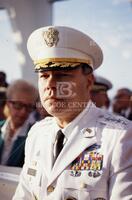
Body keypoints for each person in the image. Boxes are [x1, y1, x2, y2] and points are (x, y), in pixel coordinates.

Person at [13, 26, 132, 200]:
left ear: (89, 82)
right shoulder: (37, 133)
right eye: (44, 75)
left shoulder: (120, 136)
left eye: (62, 74)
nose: (51, 85)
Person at [0, 79, 38, 167]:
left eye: (29, 107)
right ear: (8, 103)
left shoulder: (35, 135)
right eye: (18, 105)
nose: (23, 112)